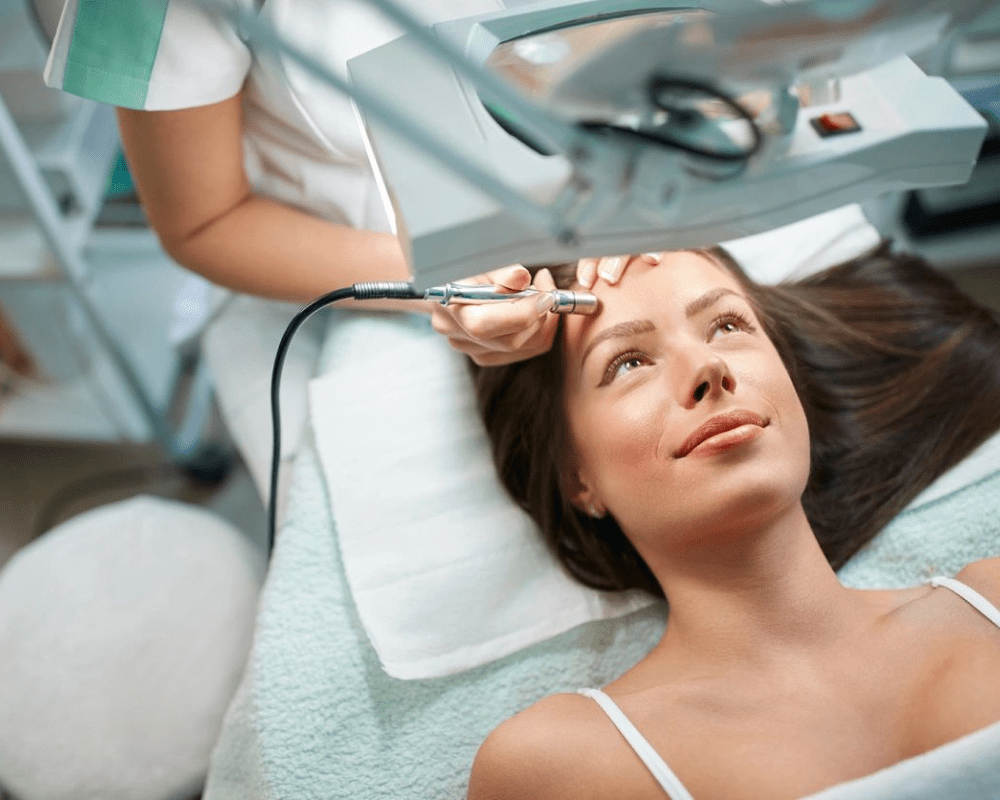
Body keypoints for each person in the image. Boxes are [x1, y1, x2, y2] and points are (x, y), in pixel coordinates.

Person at [467, 243, 1000, 799]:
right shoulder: (559, 764)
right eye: (628, 362)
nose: (707, 367)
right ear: (576, 476)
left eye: (726, 325)